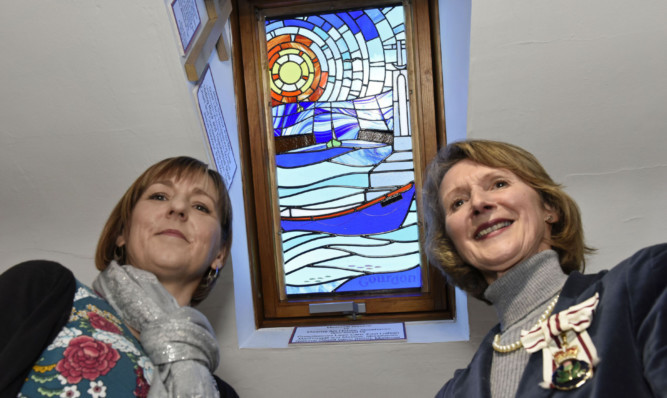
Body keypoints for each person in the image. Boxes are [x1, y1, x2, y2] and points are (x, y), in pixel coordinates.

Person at [422, 139, 666, 397]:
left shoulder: (643, 286)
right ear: (453, 245)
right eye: (458, 203)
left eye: (499, 184)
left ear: (549, 208)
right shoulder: (452, 393)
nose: (479, 203)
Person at [0, 156, 239, 397]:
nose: (177, 209)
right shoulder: (44, 288)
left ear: (220, 253)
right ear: (122, 232)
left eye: (201, 206)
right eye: (159, 196)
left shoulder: (222, 394)